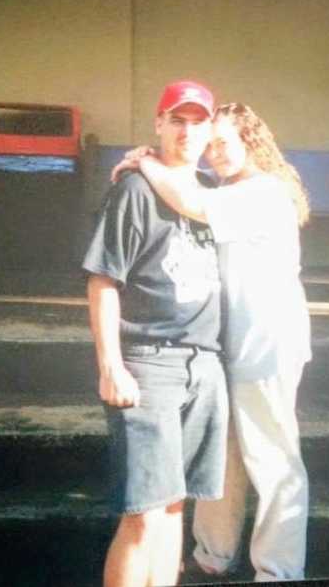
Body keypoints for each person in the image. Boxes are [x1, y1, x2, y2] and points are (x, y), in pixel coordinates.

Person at [112, 102, 312, 582]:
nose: (215, 151)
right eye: (211, 142)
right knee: (223, 457)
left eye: (225, 141)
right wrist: (148, 165)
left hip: (266, 347)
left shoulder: (266, 192)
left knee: (273, 460)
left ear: (252, 141)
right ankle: (213, 554)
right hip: (228, 349)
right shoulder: (232, 189)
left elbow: (194, 205)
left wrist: (146, 163)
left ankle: (278, 571)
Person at [82, 81, 229, 587]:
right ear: (159, 124)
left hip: (205, 365)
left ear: (210, 130)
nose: (187, 131)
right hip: (149, 362)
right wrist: (111, 366)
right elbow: (103, 280)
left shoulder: (213, 197)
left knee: (173, 510)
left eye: (198, 122)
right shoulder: (133, 190)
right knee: (142, 512)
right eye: (177, 120)